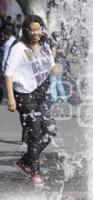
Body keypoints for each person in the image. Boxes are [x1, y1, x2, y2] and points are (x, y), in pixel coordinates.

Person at [4, 15, 60, 188]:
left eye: (39, 29)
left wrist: (55, 67)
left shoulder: (44, 47)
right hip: (24, 94)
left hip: (41, 93)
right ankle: (35, 171)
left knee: (50, 130)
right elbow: (8, 73)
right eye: (33, 29)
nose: (36, 33)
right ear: (26, 30)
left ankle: (25, 161)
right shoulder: (18, 48)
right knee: (34, 132)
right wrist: (11, 98)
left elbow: (51, 65)